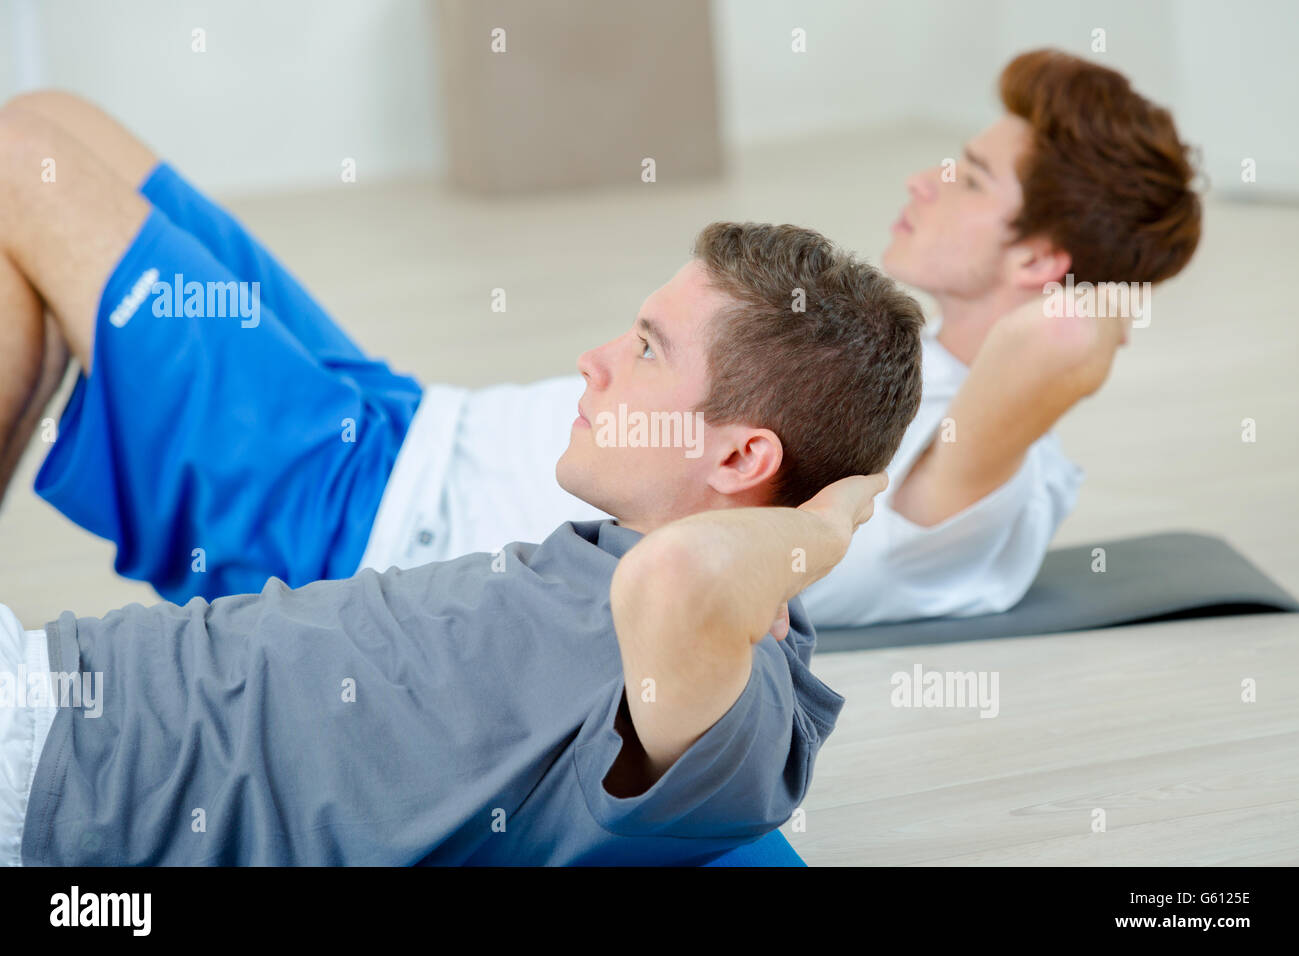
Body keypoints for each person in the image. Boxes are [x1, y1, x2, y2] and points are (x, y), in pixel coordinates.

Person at [0, 47, 1201, 629]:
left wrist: (1108, 268)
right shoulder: (906, 372)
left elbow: (1062, 351)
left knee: (19, 165)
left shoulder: (957, 481)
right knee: (55, 119)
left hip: (348, 515)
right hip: (399, 417)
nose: (926, 179)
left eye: (974, 176)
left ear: (1044, 264)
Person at [0, 221, 923, 865]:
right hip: (55, 674)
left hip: (58, 769)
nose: (593, 360)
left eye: (647, 348)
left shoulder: (744, 697)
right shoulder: (608, 561)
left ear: (740, 455)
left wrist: (820, 528)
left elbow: (679, 577)